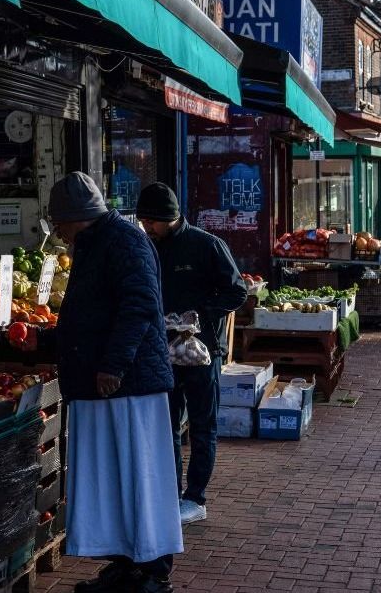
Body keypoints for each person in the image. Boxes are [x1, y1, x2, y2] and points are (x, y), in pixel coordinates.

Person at [47, 172, 182, 593]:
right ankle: (127, 561)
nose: (58, 232)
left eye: (59, 223)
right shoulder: (95, 242)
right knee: (114, 474)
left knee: (139, 471)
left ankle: (151, 569)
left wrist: (113, 366)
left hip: (128, 384)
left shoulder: (124, 241)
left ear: (75, 217)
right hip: (105, 381)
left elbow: (139, 306)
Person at [135, 183, 247, 525]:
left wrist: (199, 315)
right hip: (161, 352)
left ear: (169, 218)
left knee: (201, 425)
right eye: (143, 221)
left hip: (202, 352)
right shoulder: (147, 246)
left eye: (151, 222)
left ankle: (195, 497)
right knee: (166, 425)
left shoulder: (207, 245)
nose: (146, 227)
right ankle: (169, 494)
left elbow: (237, 291)